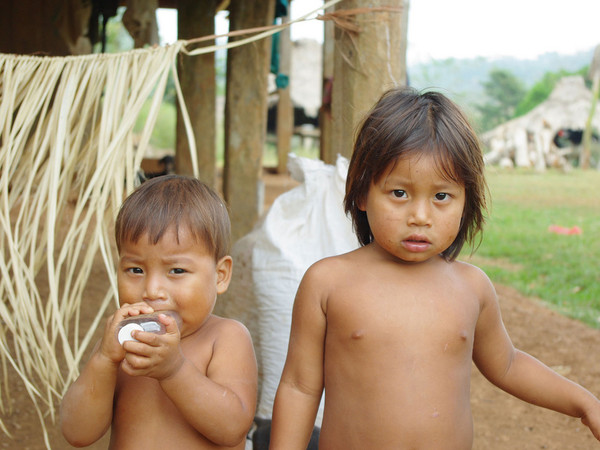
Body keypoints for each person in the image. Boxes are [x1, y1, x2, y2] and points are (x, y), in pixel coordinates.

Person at [270, 87, 600, 449]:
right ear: (362, 192)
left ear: (465, 201)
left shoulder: (472, 288)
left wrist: (584, 403)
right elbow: (299, 386)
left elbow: (507, 365)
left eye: (441, 196)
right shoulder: (328, 283)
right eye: (399, 193)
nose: (420, 217)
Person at [60, 175, 257, 449]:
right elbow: (76, 432)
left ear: (220, 276)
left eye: (176, 271)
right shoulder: (121, 343)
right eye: (135, 270)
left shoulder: (225, 338)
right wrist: (104, 361)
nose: (152, 290)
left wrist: (174, 370)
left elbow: (232, 428)